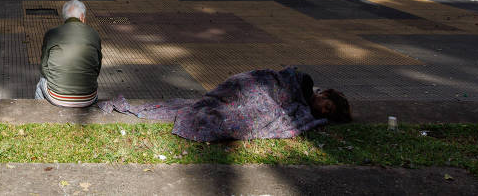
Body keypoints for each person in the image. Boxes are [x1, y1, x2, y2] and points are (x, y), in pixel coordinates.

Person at [99, 67, 351, 141]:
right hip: (251, 85)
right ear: (325, 94)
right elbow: (281, 84)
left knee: (230, 114)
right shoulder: (304, 83)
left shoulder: (306, 107)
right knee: (217, 107)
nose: (321, 110)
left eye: (326, 113)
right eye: (326, 105)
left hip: (255, 90)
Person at [36, 0, 102, 108]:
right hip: (88, 98)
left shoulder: (52, 34)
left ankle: (38, 113)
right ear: (82, 17)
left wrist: (56, 80)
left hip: (57, 97)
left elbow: (44, 66)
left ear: (65, 17)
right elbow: (97, 68)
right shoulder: (94, 34)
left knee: (41, 82)